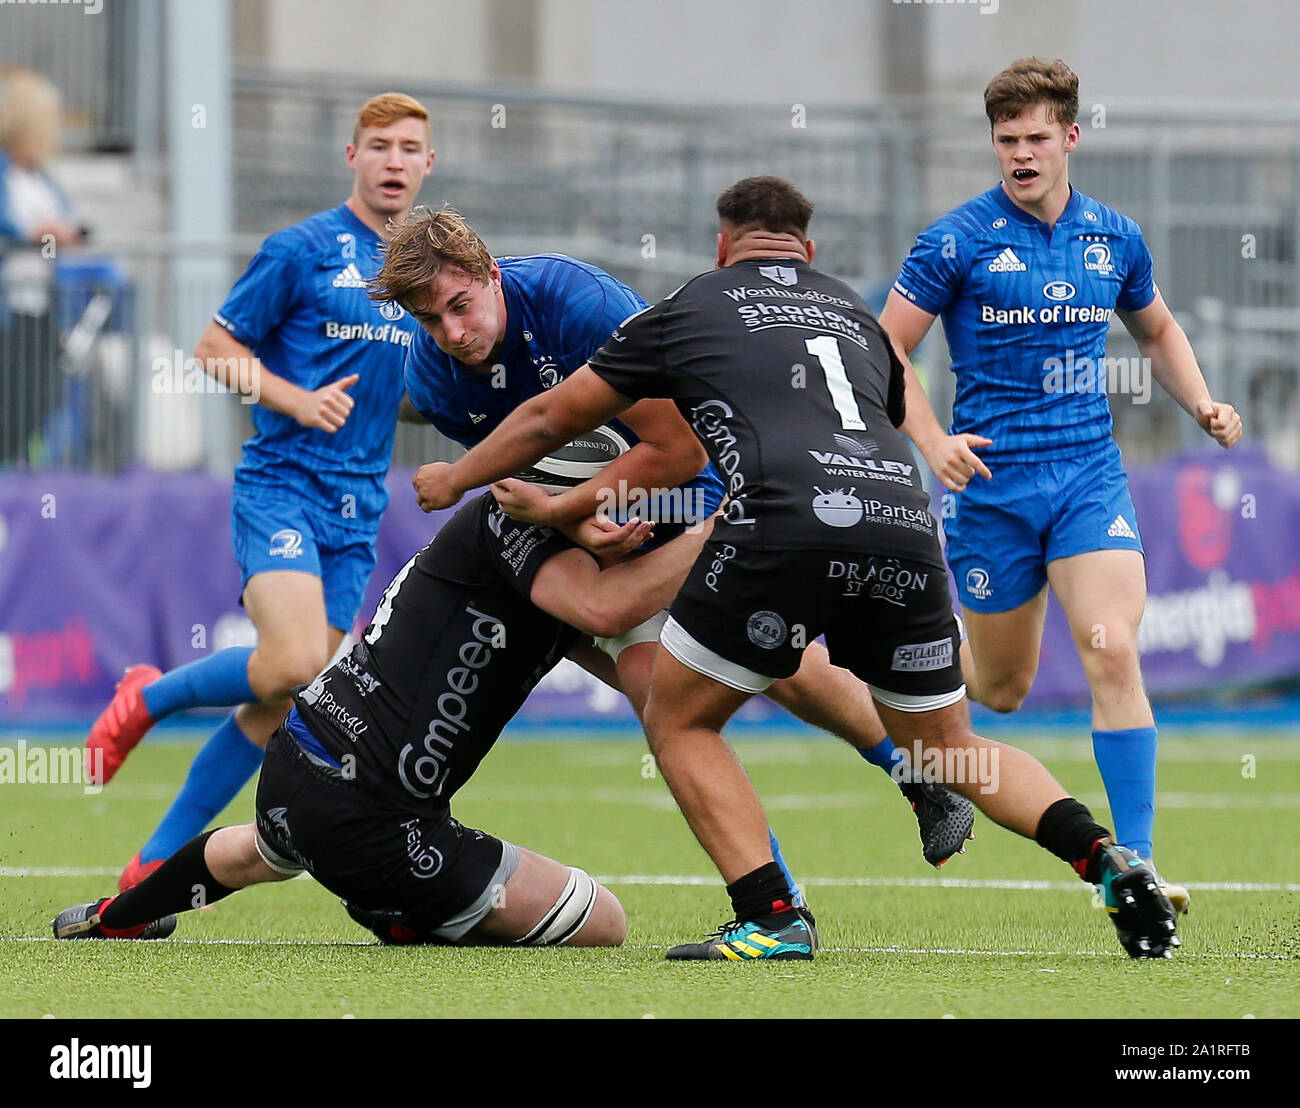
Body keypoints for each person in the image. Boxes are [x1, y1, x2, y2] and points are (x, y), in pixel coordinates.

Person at [409, 175, 1181, 962]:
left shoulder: (688, 305)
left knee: (677, 716)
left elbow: (553, 417)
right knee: (952, 748)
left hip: (778, 522)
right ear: (808, 253)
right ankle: (1107, 857)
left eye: (456, 308)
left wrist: (465, 481)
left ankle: (773, 914)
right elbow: (894, 402)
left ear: (721, 247)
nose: (447, 329)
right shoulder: (855, 312)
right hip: (905, 524)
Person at [372, 206, 976, 876]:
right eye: (430, 320)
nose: (452, 333)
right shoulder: (431, 376)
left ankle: (913, 778)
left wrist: (578, 505)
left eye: (461, 306)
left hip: (699, 485)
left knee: (777, 663)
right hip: (591, 516)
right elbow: (523, 471)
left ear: (491, 276)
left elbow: (681, 449)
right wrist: (575, 523)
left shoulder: (577, 304)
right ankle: (773, 891)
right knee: (659, 692)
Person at [878, 58, 1243, 915]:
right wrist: (931, 439)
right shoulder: (954, 240)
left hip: (1086, 477)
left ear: (1071, 136)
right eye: (1007, 140)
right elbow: (885, 346)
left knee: (1113, 648)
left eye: (1038, 137)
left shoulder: (1114, 234)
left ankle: (1134, 869)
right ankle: (898, 684)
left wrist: (1201, 401)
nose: (1022, 154)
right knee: (1000, 690)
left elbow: (1156, 329)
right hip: (989, 492)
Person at [53, 492, 690, 948]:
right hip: (379, 830)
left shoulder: (520, 550)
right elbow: (608, 610)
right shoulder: (538, 549)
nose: (632, 520)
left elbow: (645, 674)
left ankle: (117, 915)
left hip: (295, 764)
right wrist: (721, 528)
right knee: (606, 922)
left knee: (264, 847)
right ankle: (399, 913)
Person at [83, 93, 436, 891]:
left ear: (428, 165)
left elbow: (404, 390)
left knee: (287, 692)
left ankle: (152, 862)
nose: (393, 160)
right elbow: (213, 347)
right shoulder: (303, 248)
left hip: (357, 507)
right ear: (352, 157)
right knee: (294, 660)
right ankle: (149, 698)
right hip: (281, 486)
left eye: (409, 148)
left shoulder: (417, 277)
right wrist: (292, 398)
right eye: (378, 145)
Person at [0, 70, 87, 466]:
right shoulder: (5, 175)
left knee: (39, 396)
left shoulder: (40, 178)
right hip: (9, 306)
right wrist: (35, 232)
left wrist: (64, 232)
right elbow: (13, 227)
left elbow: (67, 221)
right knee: (11, 395)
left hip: (39, 306)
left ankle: (22, 469)